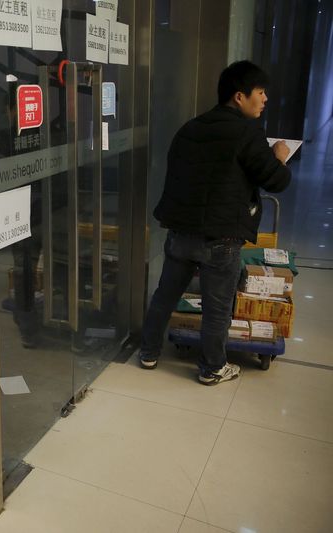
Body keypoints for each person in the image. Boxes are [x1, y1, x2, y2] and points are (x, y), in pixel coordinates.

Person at [139, 60, 291, 385]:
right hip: (221, 238)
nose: (264, 100)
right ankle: (211, 368)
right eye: (260, 93)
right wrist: (279, 156)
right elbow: (275, 180)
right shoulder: (248, 133)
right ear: (240, 96)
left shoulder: (190, 127)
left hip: (180, 231)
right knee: (217, 308)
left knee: (165, 295)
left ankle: (149, 352)